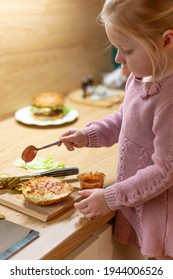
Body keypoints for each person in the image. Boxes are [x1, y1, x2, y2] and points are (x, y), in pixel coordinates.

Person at [59, 0, 173, 259]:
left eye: (126, 49)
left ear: (167, 41)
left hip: (163, 219)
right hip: (137, 200)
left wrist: (110, 198)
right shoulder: (139, 77)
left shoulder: (170, 100)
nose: (118, 59)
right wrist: (89, 135)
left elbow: (165, 171)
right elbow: (126, 118)